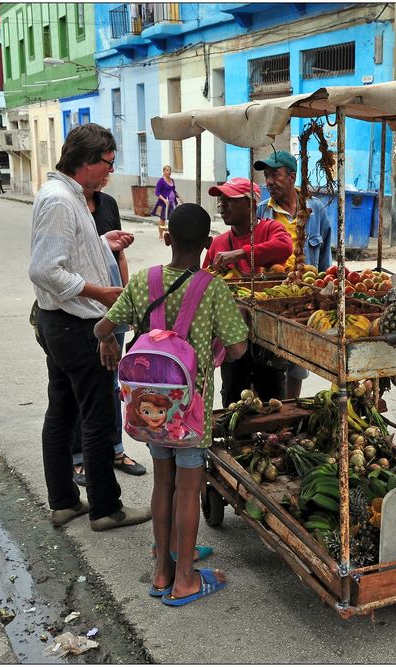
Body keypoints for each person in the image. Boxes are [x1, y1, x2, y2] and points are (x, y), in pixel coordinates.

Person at [94, 202, 248, 606]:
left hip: (149, 409)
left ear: (168, 237)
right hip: (190, 413)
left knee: (163, 484)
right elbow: (237, 348)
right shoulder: (213, 287)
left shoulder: (145, 279)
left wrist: (107, 342)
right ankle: (184, 580)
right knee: (188, 487)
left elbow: (102, 325)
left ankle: (162, 569)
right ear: (207, 243)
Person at [28, 122, 151, 532]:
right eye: (108, 164)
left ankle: (64, 501)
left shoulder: (70, 196)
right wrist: (101, 294)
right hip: (72, 326)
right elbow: (46, 270)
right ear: (85, 161)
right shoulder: (62, 200)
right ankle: (105, 508)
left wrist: (103, 244)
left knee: (62, 411)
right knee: (97, 416)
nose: (110, 172)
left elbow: (68, 252)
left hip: (61, 324)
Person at [69, 174, 146, 486]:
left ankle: (116, 449)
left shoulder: (108, 205)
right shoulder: (68, 207)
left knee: (114, 383)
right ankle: (78, 457)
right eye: (104, 163)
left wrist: (125, 299)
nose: (107, 174)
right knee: (83, 386)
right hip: (81, 311)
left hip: (112, 307)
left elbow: (118, 256)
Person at [253, 149, 336, 399]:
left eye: (275, 175)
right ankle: (265, 410)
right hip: (270, 296)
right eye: (266, 176)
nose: (269, 181)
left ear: (291, 176)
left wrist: (324, 292)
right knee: (266, 360)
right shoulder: (260, 212)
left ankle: (290, 407)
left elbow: (323, 259)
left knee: (298, 362)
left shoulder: (315, 209)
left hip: (303, 294)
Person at [205, 177, 293, 405]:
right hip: (232, 336)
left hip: (267, 337)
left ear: (250, 204)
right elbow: (204, 281)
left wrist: (242, 253)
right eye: (220, 201)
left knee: (272, 398)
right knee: (233, 397)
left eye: (229, 200)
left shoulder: (270, 228)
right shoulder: (219, 243)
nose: (222, 206)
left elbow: (285, 247)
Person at [151, 165, 181, 240]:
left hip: (172, 203)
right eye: (167, 170)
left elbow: (173, 190)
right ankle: (161, 235)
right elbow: (157, 192)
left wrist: (178, 196)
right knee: (162, 219)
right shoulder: (161, 181)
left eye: (170, 170)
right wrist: (164, 200)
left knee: (172, 219)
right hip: (163, 203)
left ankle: (171, 234)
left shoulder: (172, 180)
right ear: (164, 171)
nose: (169, 172)